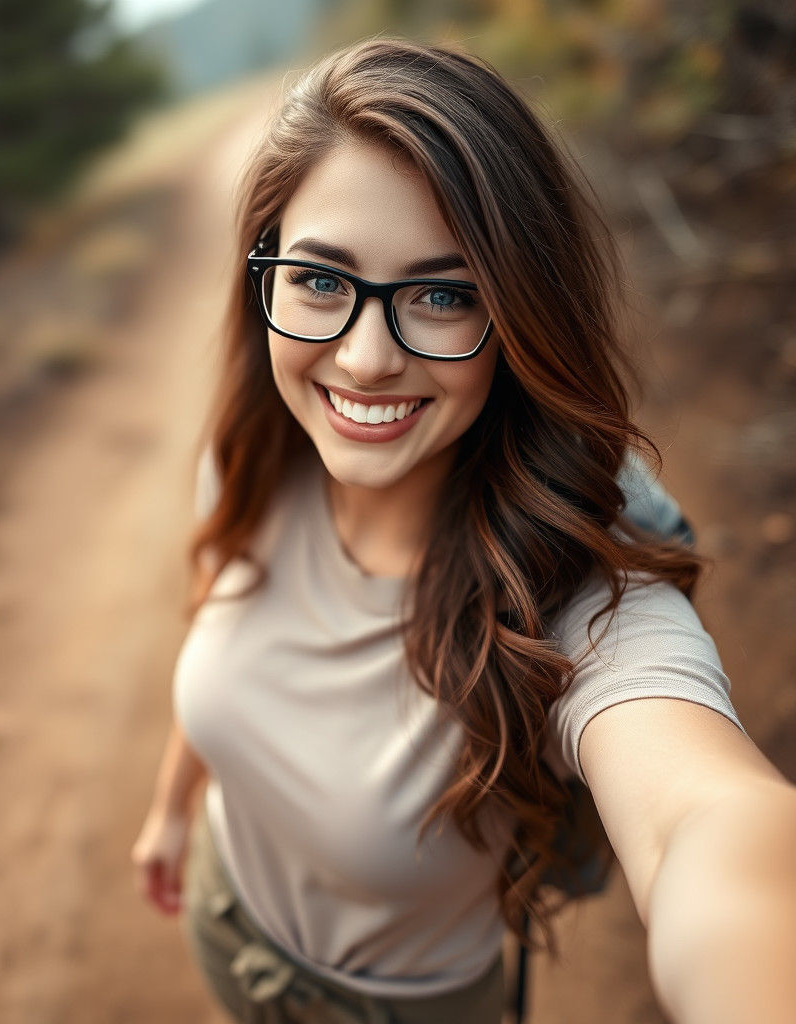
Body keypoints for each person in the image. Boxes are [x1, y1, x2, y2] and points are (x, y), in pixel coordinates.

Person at [131, 36, 796, 1024]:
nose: (362, 360)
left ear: (522, 317)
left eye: (444, 296)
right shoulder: (253, 458)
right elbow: (219, 620)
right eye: (319, 279)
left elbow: (703, 818)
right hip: (230, 927)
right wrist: (171, 807)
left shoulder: (572, 595)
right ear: (262, 276)